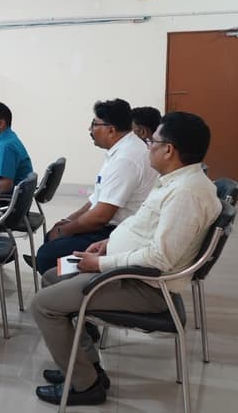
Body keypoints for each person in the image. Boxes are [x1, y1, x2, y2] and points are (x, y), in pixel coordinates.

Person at [31, 112, 222, 406]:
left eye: (152, 142)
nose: (148, 147)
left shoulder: (185, 194)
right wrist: (107, 244)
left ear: (169, 150)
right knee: (51, 276)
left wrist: (99, 264)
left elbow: (159, 258)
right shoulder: (176, 181)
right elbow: (144, 228)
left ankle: (85, 385)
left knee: (43, 305)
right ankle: (86, 366)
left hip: (144, 286)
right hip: (128, 271)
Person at [28, 99, 156, 274]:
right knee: (53, 237)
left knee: (48, 254)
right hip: (112, 225)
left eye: (95, 124)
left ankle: (71, 283)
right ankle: (57, 275)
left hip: (119, 231)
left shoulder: (126, 159)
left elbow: (100, 217)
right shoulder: (121, 149)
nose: (90, 129)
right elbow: (96, 199)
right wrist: (68, 221)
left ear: (111, 130)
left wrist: (64, 230)